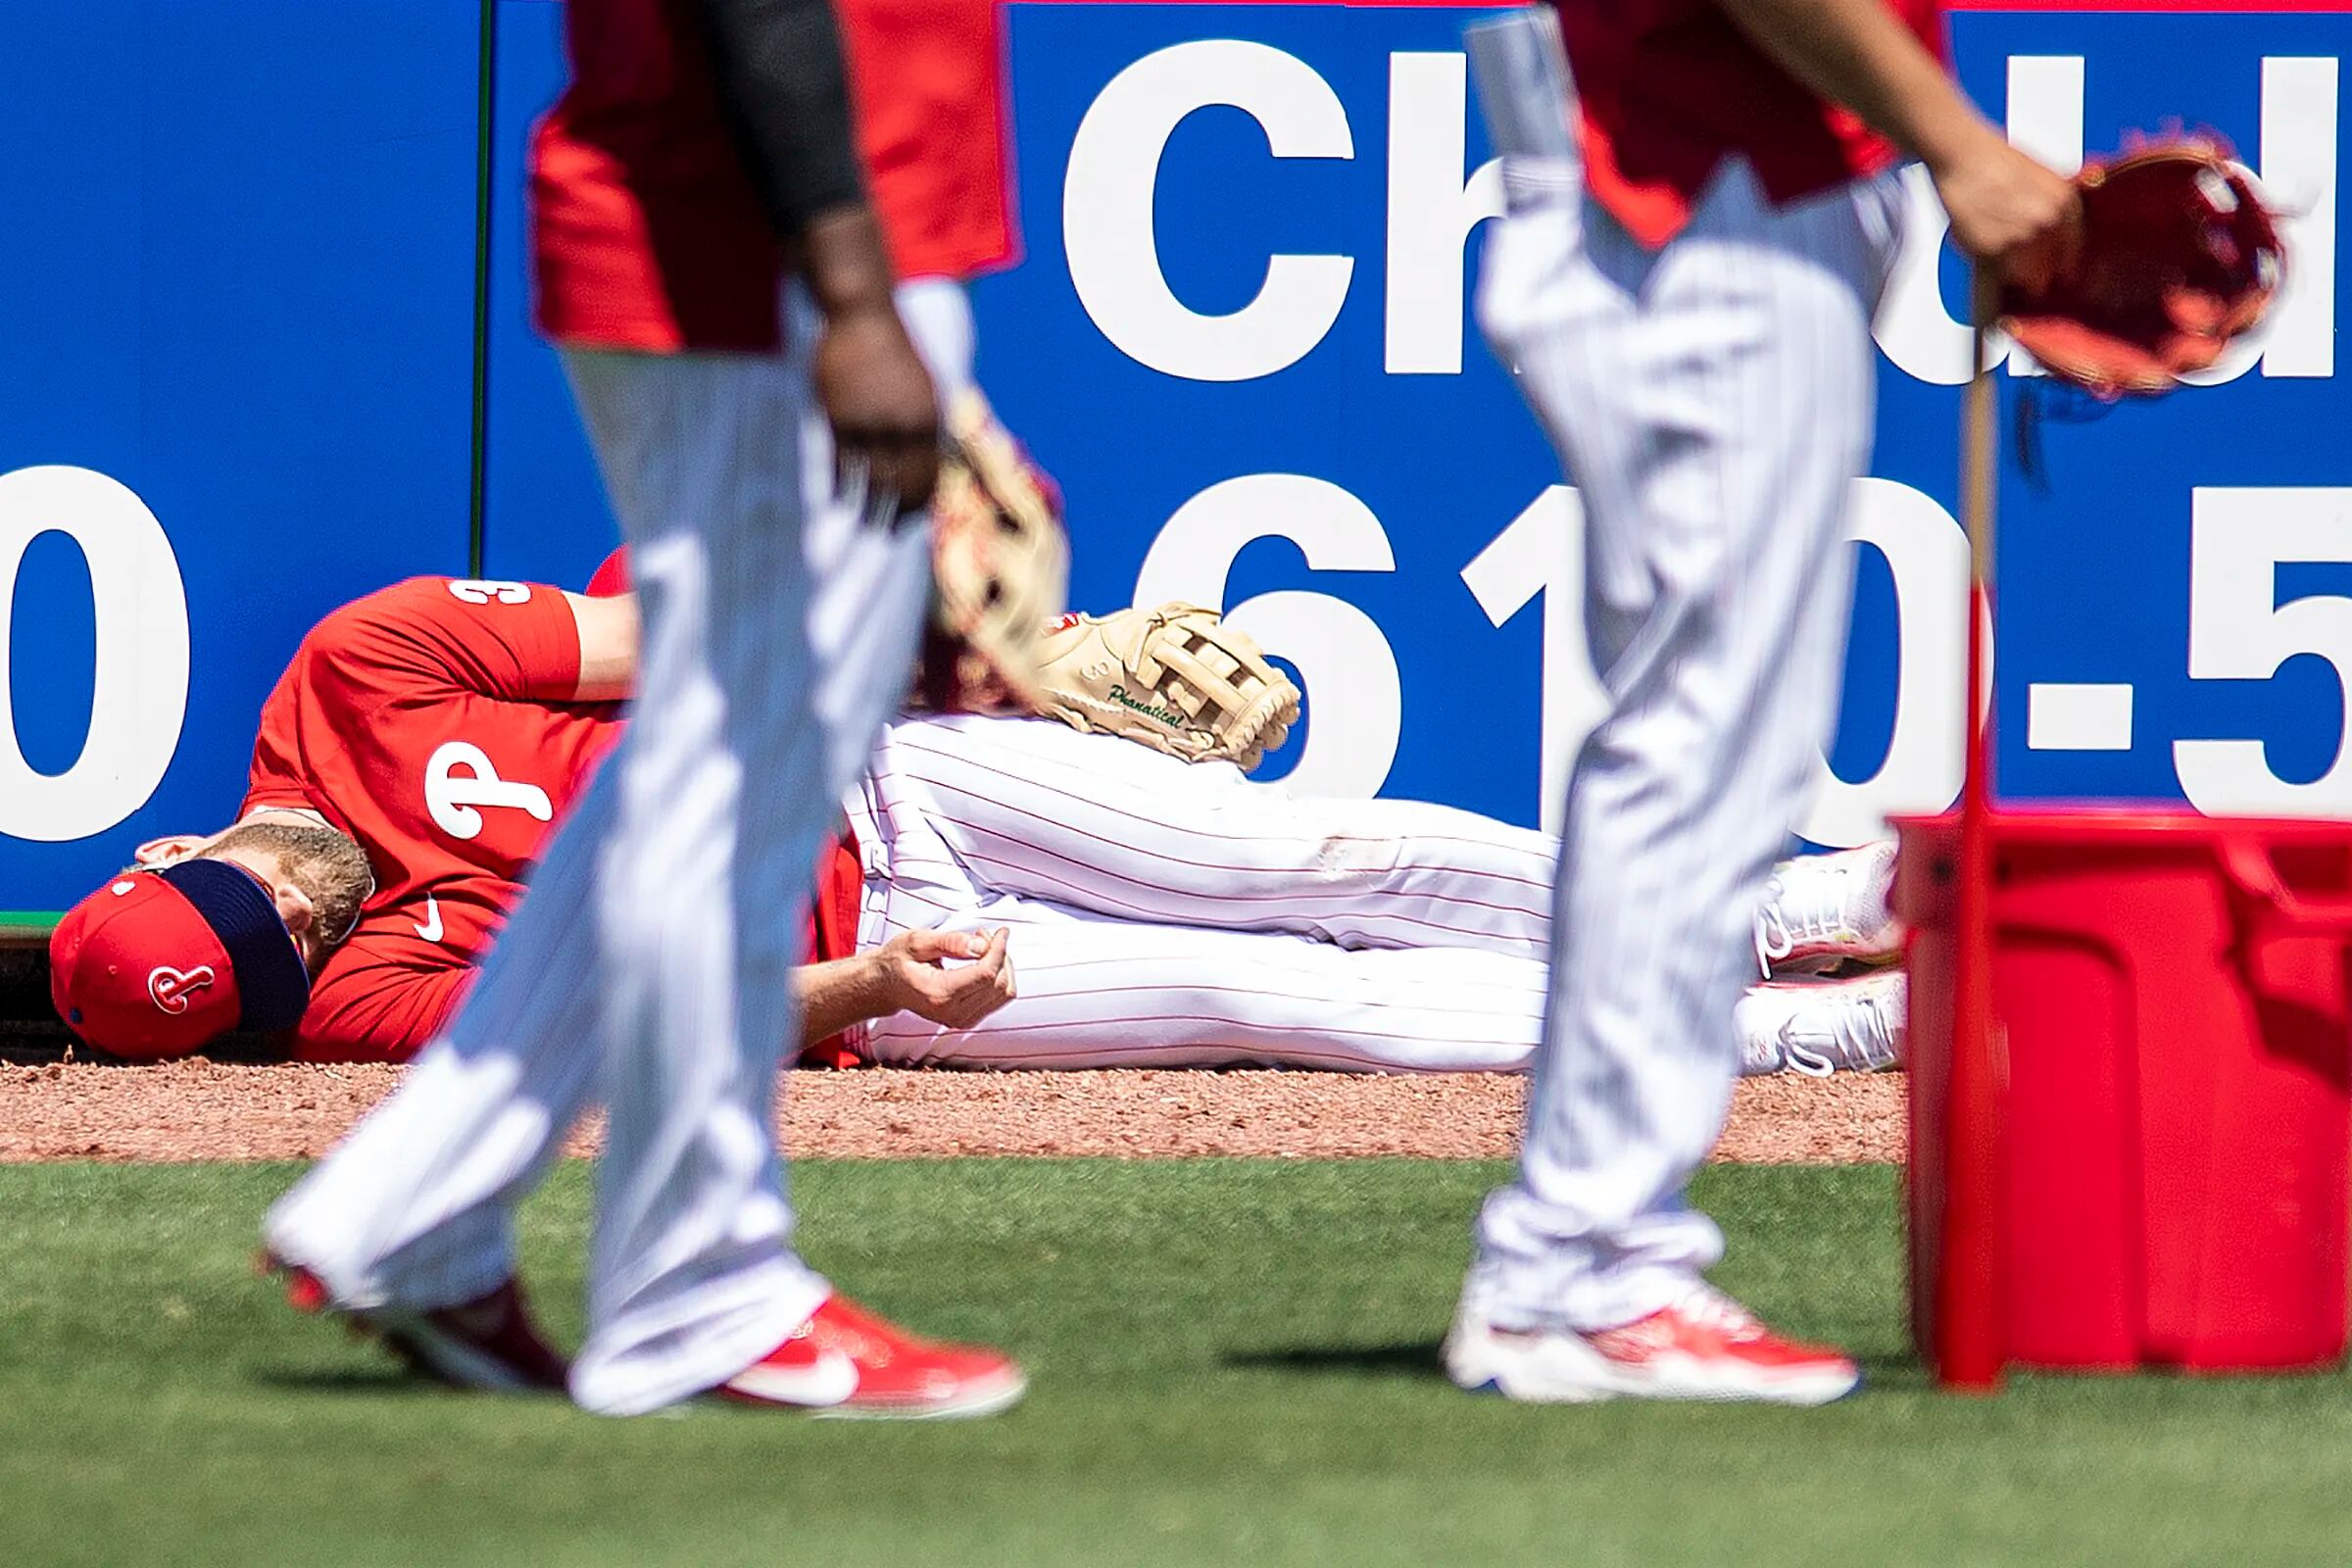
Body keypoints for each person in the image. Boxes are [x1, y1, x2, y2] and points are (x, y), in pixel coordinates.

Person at [254, 0, 1025, 1417]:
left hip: (764, 231)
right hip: (757, 253)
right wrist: (855, 296)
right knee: (734, 763)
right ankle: (699, 1287)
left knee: (701, 754)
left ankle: (414, 1215)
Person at [49, 575, 1905, 1078]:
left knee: (1303, 857)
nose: (296, 911)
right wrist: (863, 984)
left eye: (245, 893)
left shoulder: (358, 671)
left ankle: (1777, 904)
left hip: (877, 773)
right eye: (271, 954)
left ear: (169, 858)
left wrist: (976, 655)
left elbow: (667, 626)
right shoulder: (357, 996)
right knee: (1286, 1000)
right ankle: (1807, 1032)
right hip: (877, 978)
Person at [1442, 0, 2080, 1405]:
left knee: (1708, 738)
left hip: (1703, 169)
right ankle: (1583, 1263)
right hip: (1696, 178)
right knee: (1699, 741)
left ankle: (1587, 1256)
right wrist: (1964, 149)